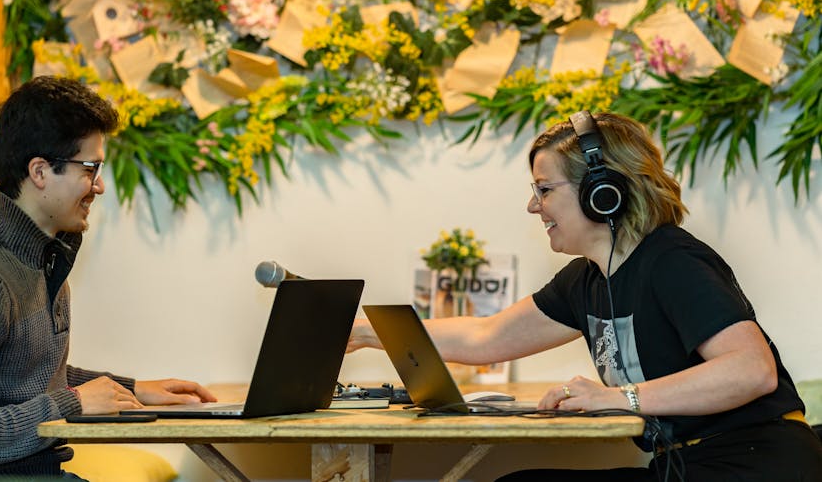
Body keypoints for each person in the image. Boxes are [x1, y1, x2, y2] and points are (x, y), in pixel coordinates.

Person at [348, 111, 822, 481]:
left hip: (757, 464)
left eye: (545, 189)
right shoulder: (585, 280)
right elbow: (485, 337)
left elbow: (751, 370)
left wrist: (619, 397)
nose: (534, 205)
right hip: (687, 468)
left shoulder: (672, 260)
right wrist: (367, 333)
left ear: (603, 192)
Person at [0, 76, 216, 477]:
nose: (100, 185)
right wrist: (74, 401)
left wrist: (131, 390)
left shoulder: (43, 259)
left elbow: (27, 376)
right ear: (40, 172)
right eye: (90, 168)